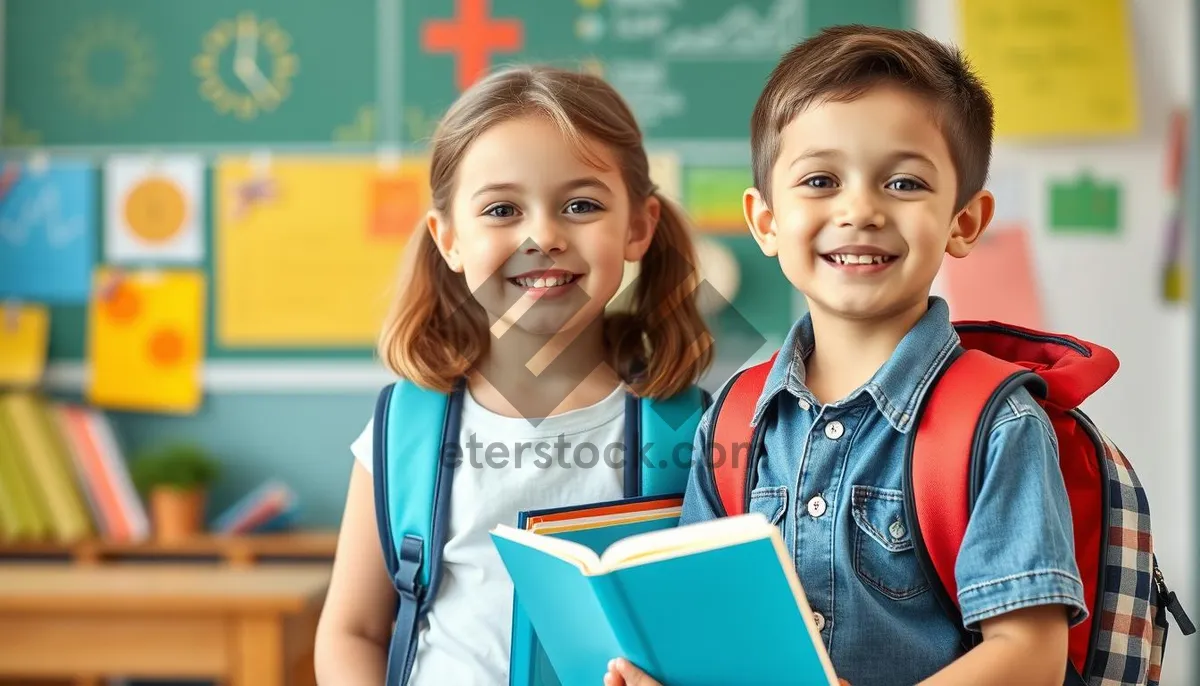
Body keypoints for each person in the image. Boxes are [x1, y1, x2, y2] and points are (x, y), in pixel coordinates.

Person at [606, 25, 1086, 686]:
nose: (860, 208)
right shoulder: (736, 418)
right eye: (822, 179)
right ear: (767, 223)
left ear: (964, 222)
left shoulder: (997, 425)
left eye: (905, 183)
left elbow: (1030, 656)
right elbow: (707, 623)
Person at [313, 65, 715, 685]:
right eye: (502, 209)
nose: (544, 236)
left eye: (581, 205)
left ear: (638, 227)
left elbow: (710, 631)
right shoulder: (404, 430)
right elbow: (353, 630)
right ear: (448, 239)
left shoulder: (695, 431)